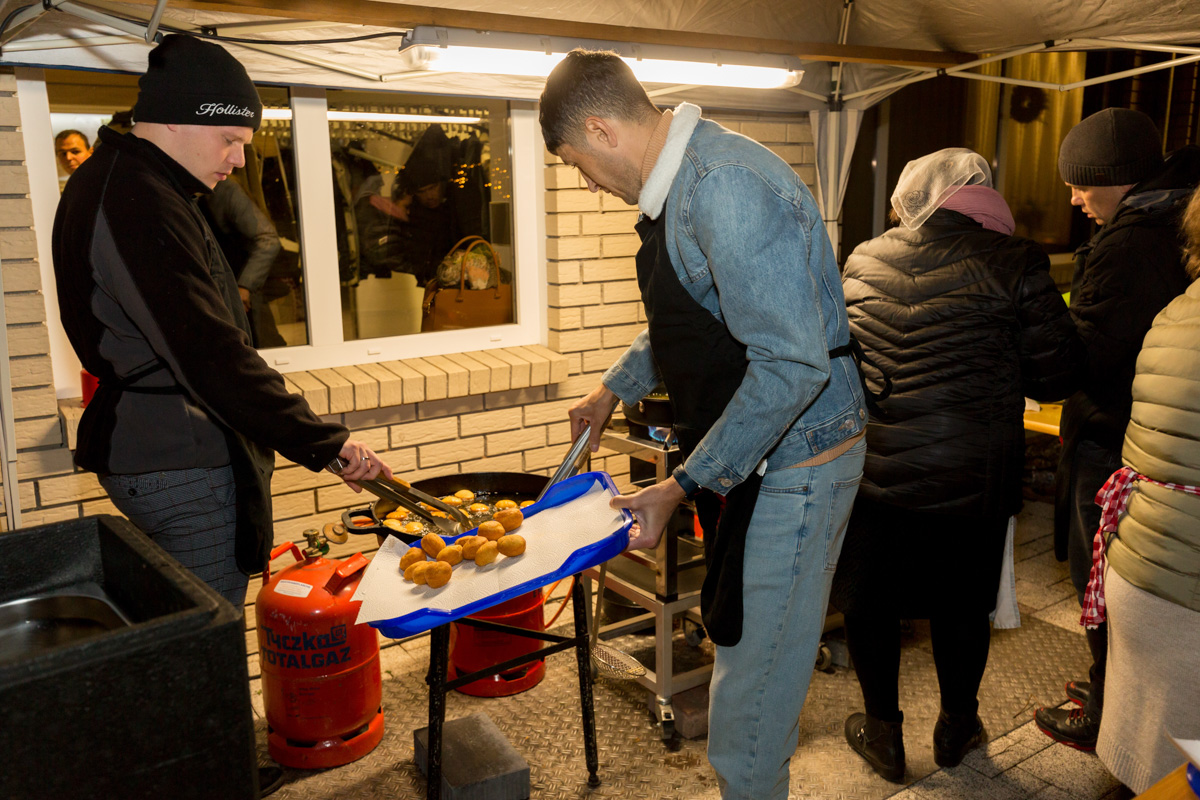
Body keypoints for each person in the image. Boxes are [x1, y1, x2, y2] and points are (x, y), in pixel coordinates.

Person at [542, 50, 867, 799]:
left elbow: (793, 366)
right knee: (743, 659)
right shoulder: (686, 183)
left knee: (751, 706)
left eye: (578, 165)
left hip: (800, 461)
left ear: (601, 130)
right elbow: (691, 311)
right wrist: (612, 391)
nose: (588, 184)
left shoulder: (723, 186)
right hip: (762, 453)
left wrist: (680, 485)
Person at [52, 34, 389, 612]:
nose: (238, 160)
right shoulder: (137, 199)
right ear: (175, 117)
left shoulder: (134, 182)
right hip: (179, 459)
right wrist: (325, 443)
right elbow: (209, 353)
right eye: (230, 139)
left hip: (155, 446)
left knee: (180, 625)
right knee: (208, 636)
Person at [833, 148, 1081, 781]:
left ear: (910, 198)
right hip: (973, 474)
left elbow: (844, 359)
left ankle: (883, 733)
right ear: (979, 195)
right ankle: (956, 728)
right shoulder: (1016, 261)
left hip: (876, 469)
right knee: (961, 603)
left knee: (870, 600)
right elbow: (1057, 375)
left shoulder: (863, 257)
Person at [1039, 108, 1200, 750]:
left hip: (1114, 439)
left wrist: (1043, 338)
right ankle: (1111, 687)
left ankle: (1106, 710)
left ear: (1117, 178)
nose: (1074, 200)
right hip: (1147, 440)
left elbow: (1088, 357)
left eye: (1081, 185)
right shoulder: (1172, 222)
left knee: (1101, 577)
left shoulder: (1131, 244)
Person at [1091, 186, 1200, 793]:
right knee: (1181, 773)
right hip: (1187, 590)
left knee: (1150, 763)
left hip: (1140, 571)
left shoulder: (1176, 310)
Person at [200, 176, 287, 347]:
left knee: (260, 345)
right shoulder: (189, 193)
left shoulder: (225, 190)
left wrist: (245, 285)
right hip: (217, 295)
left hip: (241, 294)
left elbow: (267, 240)